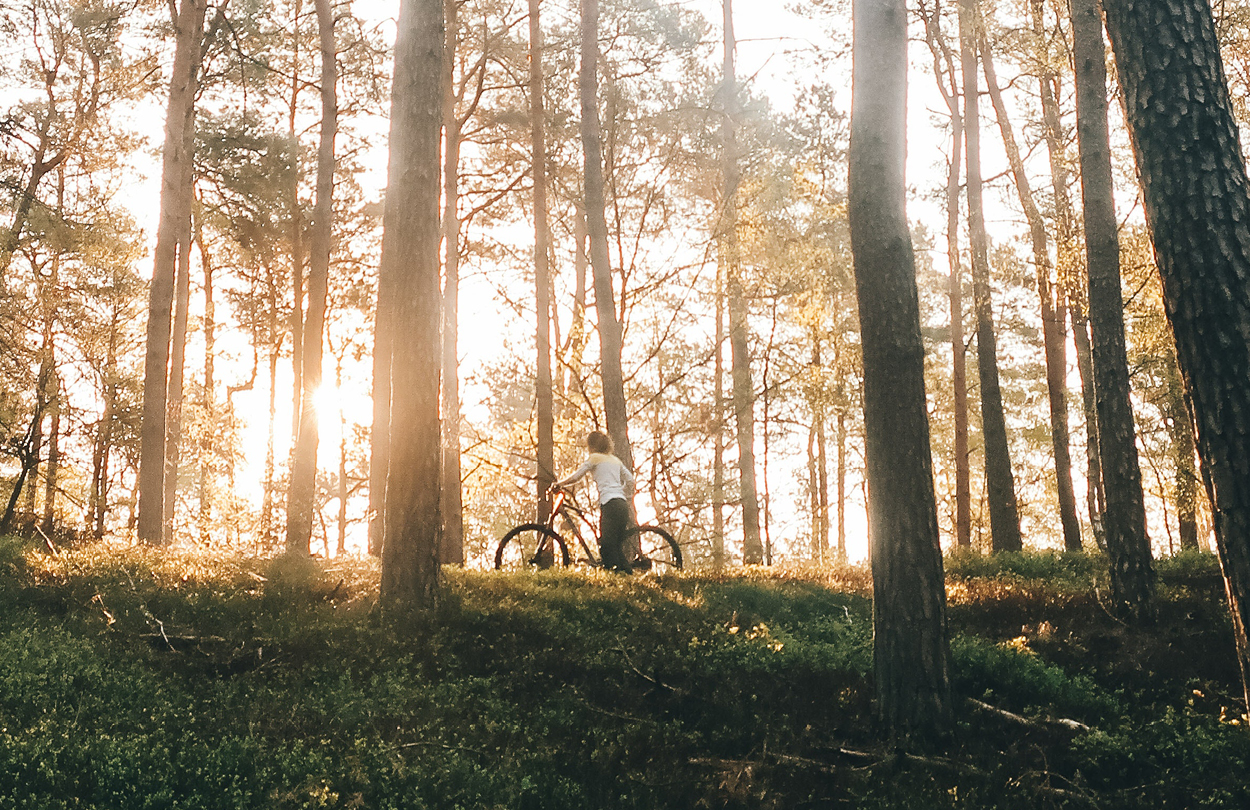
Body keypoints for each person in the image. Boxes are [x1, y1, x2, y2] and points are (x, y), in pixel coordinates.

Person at [551, 431, 636, 573]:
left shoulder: (594, 458)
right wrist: (620, 492)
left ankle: (617, 578)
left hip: (609, 503)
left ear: (591, 445)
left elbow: (576, 477)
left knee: (607, 546)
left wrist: (559, 484)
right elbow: (630, 480)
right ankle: (626, 575)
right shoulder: (615, 460)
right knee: (615, 545)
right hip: (621, 504)